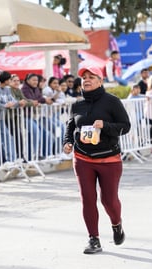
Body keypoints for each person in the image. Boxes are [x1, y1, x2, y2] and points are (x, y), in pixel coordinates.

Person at [63, 65, 131, 254]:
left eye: (92, 76)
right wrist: (68, 142)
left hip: (109, 158)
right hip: (82, 158)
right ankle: (94, 239)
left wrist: (106, 125)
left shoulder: (112, 102)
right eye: (84, 77)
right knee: (88, 199)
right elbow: (70, 127)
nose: (87, 79)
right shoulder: (77, 105)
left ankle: (116, 225)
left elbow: (125, 126)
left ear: (100, 81)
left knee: (108, 200)